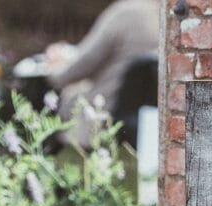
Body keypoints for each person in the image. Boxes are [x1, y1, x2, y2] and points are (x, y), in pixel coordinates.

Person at [46, 0, 158, 148]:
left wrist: (54, 67)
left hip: (101, 113)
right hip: (142, 120)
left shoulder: (127, 12)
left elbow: (80, 66)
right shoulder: (171, 17)